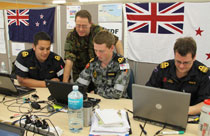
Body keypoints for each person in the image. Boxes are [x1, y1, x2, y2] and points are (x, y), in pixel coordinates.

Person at [146, 37, 210, 115]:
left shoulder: (203, 74)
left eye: (186, 62)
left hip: (190, 116)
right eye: (178, 61)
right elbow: (148, 92)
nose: (181, 66)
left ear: (194, 57)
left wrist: (182, 112)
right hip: (162, 112)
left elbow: (206, 103)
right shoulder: (163, 69)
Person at [63, 9, 124, 83]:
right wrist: (65, 82)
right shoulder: (72, 35)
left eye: (84, 26)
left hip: (97, 71)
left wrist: (121, 62)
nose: (81, 29)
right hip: (80, 72)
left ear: (90, 24)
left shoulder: (98, 31)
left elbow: (117, 41)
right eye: (78, 26)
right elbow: (69, 60)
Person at [76, 31, 130, 99]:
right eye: (95, 50)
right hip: (99, 101)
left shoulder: (122, 64)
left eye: (101, 51)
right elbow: (80, 85)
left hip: (119, 103)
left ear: (111, 48)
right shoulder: (93, 63)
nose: (98, 54)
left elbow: (117, 93)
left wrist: (96, 92)